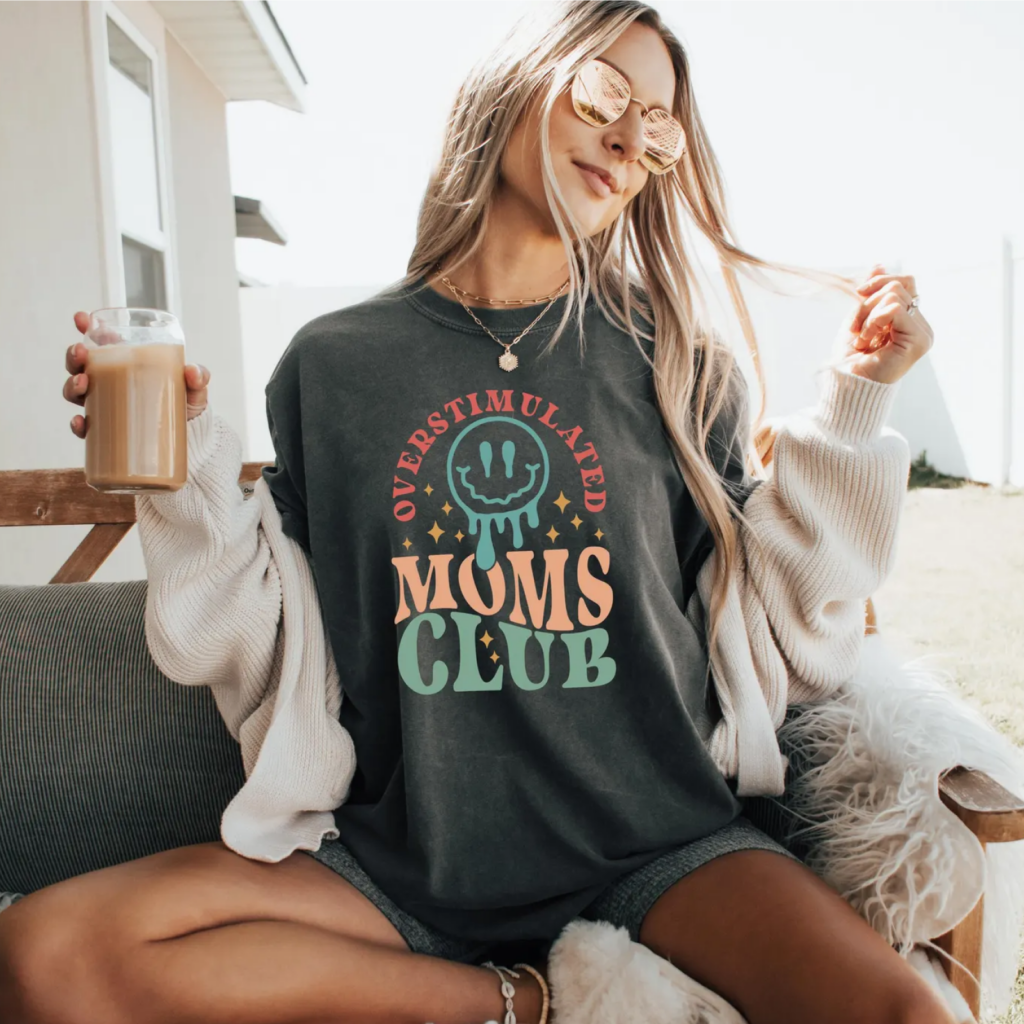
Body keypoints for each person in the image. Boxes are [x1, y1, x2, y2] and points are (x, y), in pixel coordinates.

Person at [4, 2, 946, 1023]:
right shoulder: (333, 366)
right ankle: (519, 1002)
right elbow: (267, 631)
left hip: (657, 846)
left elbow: (782, 633)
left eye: (659, 127)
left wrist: (856, 403)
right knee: (45, 950)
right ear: (517, 81)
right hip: (409, 869)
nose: (630, 139)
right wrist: (179, 470)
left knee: (907, 1016)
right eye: (603, 94)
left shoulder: (678, 366)